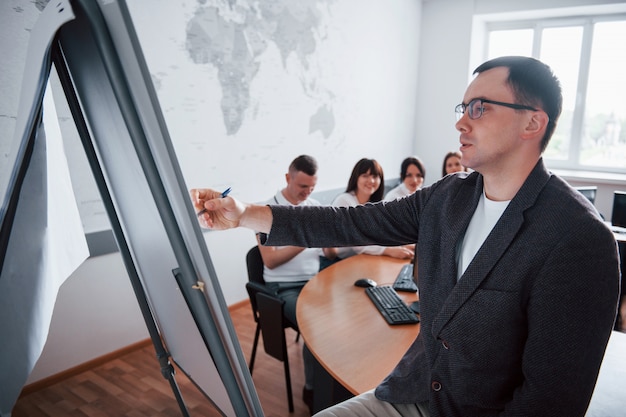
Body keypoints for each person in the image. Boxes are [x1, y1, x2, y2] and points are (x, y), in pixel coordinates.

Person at [192, 56, 620, 417]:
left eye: (479, 108)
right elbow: (348, 223)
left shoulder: (579, 239)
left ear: (532, 123)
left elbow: (549, 403)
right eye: (463, 107)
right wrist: (246, 213)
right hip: (412, 393)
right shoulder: (449, 196)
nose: (460, 122)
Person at [255, 155, 333, 413]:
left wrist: (332, 243)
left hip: (315, 282)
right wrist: (307, 240)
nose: (308, 193)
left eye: (312, 187)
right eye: (303, 187)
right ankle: (313, 391)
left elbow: (328, 254)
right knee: (316, 326)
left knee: (349, 313)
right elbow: (271, 261)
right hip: (283, 289)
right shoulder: (266, 212)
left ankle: (335, 381)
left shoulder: (314, 207)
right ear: (288, 178)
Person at [331, 158, 413, 260]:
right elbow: (356, 241)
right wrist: (389, 251)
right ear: (356, 178)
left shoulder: (375, 205)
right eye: (365, 176)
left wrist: (401, 246)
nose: (371, 181)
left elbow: (381, 236)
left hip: (356, 259)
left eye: (375, 176)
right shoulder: (344, 201)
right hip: (334, 261)